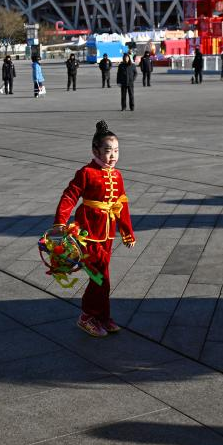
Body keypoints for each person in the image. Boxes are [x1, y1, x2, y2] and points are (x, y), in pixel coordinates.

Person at [53, 120, 136, 337]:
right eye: (108, 151)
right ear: (95, 150)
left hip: (106, 234)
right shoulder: (87, 172)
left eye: (116, 151)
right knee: (99, 276)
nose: (113, 156)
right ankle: (87, 316)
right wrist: (60, 222)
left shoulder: (117, 175)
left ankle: (102, 316)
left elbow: (121, 204)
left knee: (103, 276)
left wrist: (127, 231)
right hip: (87, 234)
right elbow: (70, 195)